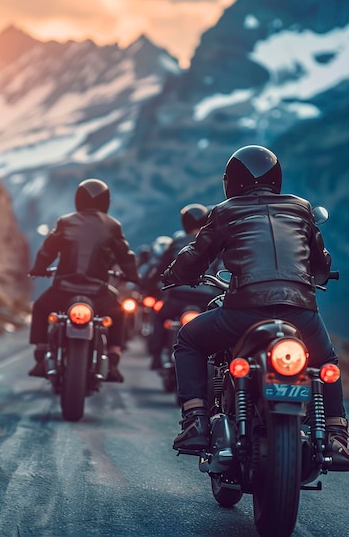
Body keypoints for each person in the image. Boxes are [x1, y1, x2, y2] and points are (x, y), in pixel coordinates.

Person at [162, 145, 349, 469]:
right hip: (300, 312)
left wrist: (174, 276)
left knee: (189, 340)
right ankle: (336, 433)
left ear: (231, 180)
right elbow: (319, 259)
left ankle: (195, 420)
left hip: (244, 311)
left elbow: (197, 255)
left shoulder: (225, 211)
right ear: (276, 178)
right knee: (326, 361)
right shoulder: (301, 208)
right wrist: (318, 273)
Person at [28, 178, 140, 382]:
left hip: (63, 291)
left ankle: (40, 355)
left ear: (78, 199)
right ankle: (113, 360)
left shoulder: (65, 222)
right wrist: (133, 276)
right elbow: (125, 256)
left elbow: (48, 250)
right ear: (106, 201)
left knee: (40, 307)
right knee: (118, 313)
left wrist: (38, 269)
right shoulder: (112, 225)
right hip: (98, 293)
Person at [143, 204, 215, 370]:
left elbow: (161, 268)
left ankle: (156, 358)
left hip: (177, 297)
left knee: (160, 317)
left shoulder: (176, 243)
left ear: (185, 223)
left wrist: (149, 283)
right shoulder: (213, 242)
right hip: (205, 298)